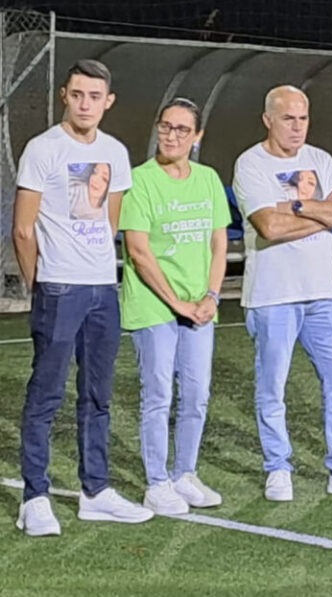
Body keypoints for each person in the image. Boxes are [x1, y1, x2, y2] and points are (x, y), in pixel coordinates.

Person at [12, 59, 154, 536]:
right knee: (46, 394)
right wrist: (42, 283)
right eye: (78, 95)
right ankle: (35, 497)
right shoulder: (43, 149)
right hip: (59, 287)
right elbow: (22, 228)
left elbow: (108, 221)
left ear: (108, 101)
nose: (86, 104)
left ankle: (96, 490)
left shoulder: (114, 152)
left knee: (98, 394)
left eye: (95, 96)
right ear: (64, 97)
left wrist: (95, 270)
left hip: (101, 289)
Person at [233, 85, 332, 501]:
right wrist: (324, 212)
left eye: (303, 118)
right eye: (288, 118)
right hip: (272, 296)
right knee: (273, 388)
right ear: (268, 119)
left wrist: (300, 208)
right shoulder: (251, 163)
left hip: (323, 294)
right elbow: (270, 226)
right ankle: (277, 467)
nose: (297, 127)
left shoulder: (319, 159)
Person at [119, 98, 230, 514]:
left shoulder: (208, 179)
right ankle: (156, 481)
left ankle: (185, 473)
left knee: (198, 393)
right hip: (155, 305)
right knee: (158, 392)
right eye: (166, 126)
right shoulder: (140, 180)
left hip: (200, 306)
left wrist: (211, 297)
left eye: (182, 129)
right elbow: (139, 251)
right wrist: (178, 303)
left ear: (197, 136)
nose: (171, 135)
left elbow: (219, 243)